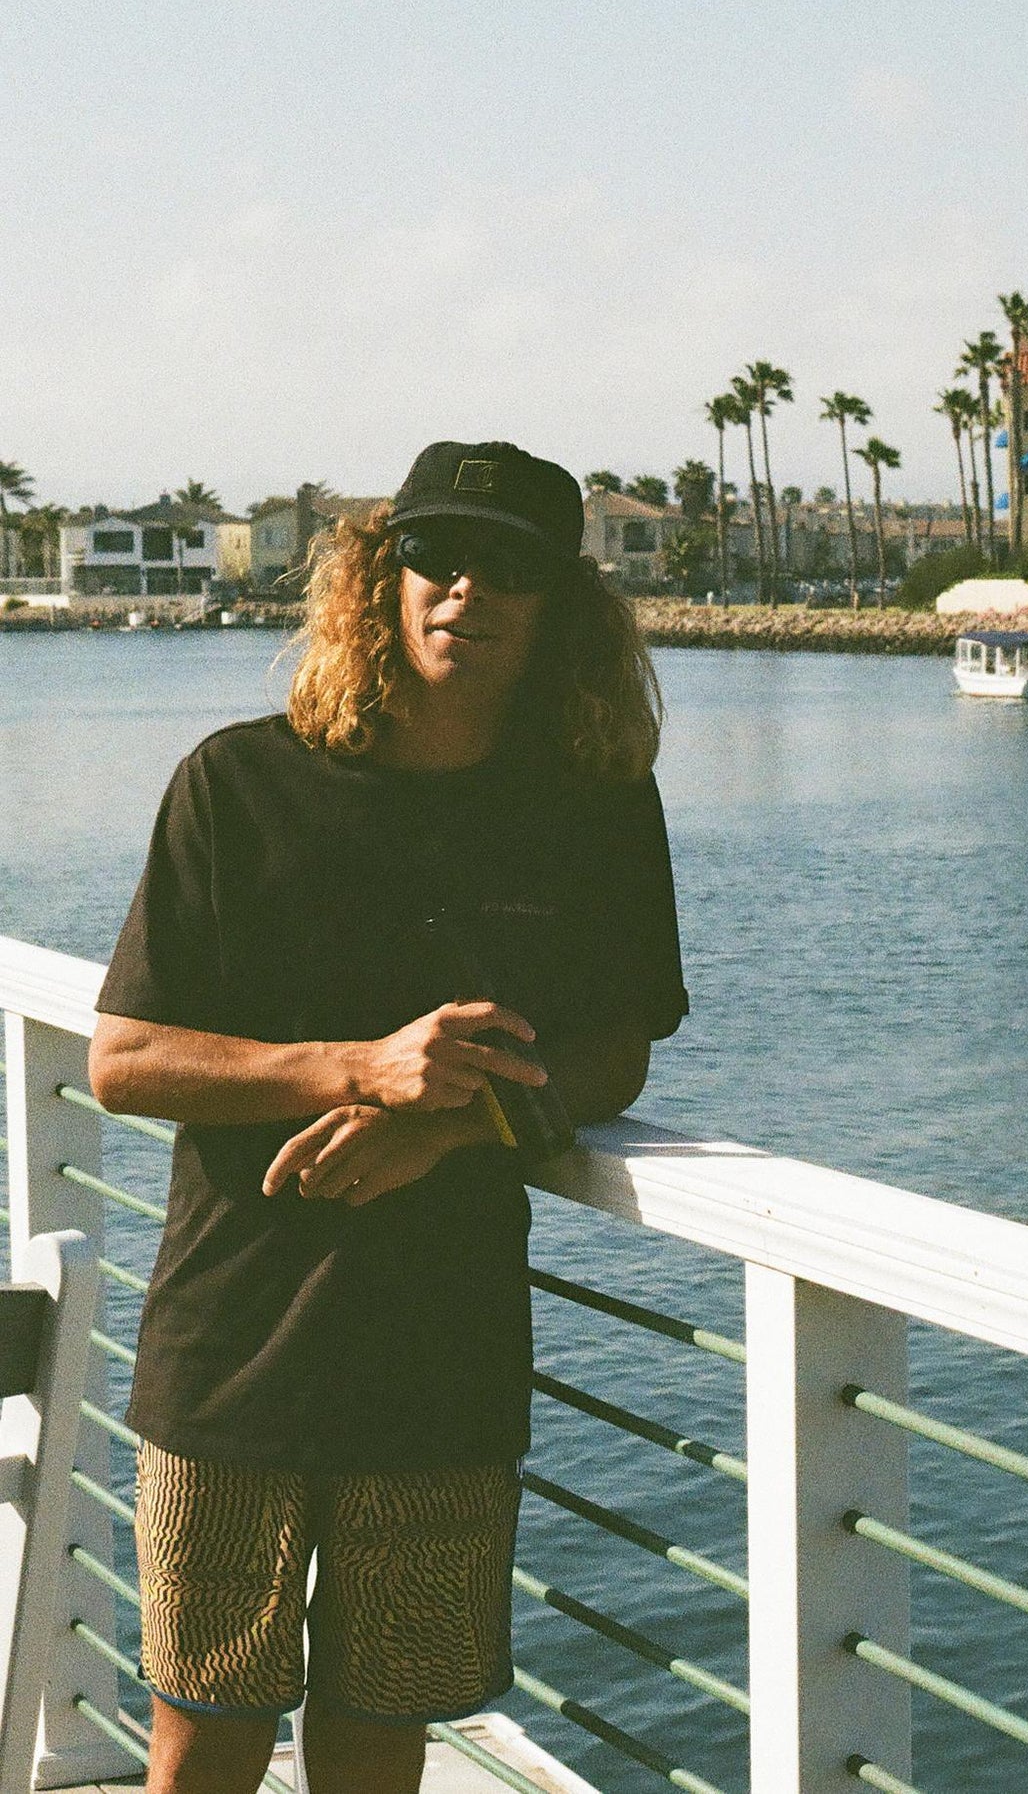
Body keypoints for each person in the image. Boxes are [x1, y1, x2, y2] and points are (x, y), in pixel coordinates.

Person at [90, 442, 688, 1794]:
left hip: (444, 1357)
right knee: (205, 1738)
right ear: (380, 576)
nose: (467, 588)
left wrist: (455, 1127)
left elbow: (615, 1050)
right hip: (234, 1350)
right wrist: (361, 1070)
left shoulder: (593, 806)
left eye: (513, 567)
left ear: (560, 608)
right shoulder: (238, 785)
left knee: (380, 1741)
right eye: (434, 554)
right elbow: (124, 1060)